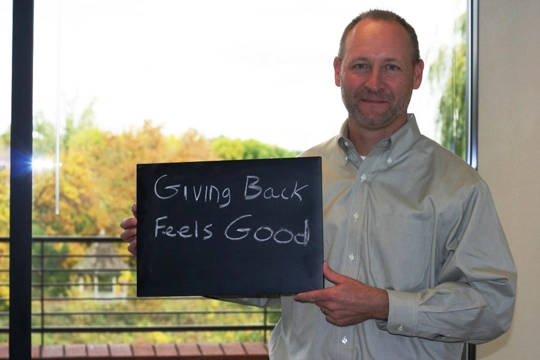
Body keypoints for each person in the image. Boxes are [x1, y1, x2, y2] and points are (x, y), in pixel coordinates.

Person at [120, 9, 516, 359]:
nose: (374, 82)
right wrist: (174, 249)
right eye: (361, 65)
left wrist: (383, 305)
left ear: (416, 75)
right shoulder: (294, 177)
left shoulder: (460, 186)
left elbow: (492, 306)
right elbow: (261, 278)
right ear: (337, 71)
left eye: (391, 67)